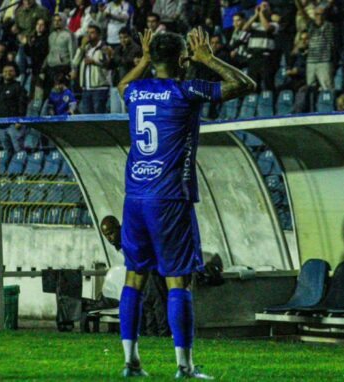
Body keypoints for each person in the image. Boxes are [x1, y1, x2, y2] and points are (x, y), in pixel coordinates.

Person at [116, 27, 255, 378]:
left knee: (134, 276)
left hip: (135, 197)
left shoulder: (136, 90)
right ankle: (185, 366)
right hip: (169, 199)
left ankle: (131, 362)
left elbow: (121, 86)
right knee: (178, 281)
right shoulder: (185, 90)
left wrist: (144, 59)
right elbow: (244, 85)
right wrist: (209, 59)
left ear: (153, 59)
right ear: (182, 60)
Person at [100, 216, 170, 338]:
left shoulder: (129, 238)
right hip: (144, 271)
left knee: (158, 306)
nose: (109, 238)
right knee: (147, 307)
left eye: (111, 233)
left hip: (151, 271)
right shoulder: (121, 242)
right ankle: (152, 336)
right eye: (106, 235)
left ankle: (163, 335)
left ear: (119, 228)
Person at [294, 0, 335, 90]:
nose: (319, 17)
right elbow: (302, 11)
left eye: (321, 15)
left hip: (324, 61)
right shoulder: (311, 25)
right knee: (310, 88)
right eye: (316, 14)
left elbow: (329, 5)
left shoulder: (329, 26)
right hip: (311, 61)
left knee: (327, 88)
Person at [71, 25, 110, 114]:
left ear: (98, 35)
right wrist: (82, 46)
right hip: (86, 88)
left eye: (92, 33)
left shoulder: (103, 47)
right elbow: (75, 62)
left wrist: (94, 61)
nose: (89, 35)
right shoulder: (85, 48)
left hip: (99, 88)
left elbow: (106, 61)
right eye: (88, 33)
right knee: (87, 116)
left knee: (99, 115)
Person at [243, 1, 279, 92]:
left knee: (268, 84)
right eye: (261, 6)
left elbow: (267, 28)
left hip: (266, 58)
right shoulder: (254, 25)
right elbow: (245, 28)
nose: (263, 9)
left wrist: (261, 14)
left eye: (265, 6)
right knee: (254, 85)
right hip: (253, 58)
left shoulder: (275, 24)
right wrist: (256, 15)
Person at [0, 62, 28, 156]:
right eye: (5, 71)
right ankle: (10, 170)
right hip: (1, 124)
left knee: (19, 150)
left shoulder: (19, 87)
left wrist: (20, 120)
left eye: (10, 71)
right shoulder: (0, 88)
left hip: (14, 124)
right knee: (7, 151)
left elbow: (22, 105)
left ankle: (22, 170)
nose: (7, 73)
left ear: (15, 73)